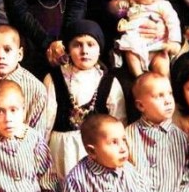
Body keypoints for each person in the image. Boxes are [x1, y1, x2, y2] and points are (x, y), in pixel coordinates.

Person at [43, 19, 127, 179]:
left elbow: (119, 121)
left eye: (91, 44)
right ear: (68, 49)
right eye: (77, 45)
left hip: (96, 151)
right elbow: (46, 122)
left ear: (99, 49)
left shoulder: (109, 82)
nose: (84, 51)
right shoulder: (54, 78)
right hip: (62, 151)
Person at [114, 0, 182, 78]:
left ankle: (165, 83)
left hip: (157, 45)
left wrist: (174, 41)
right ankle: (139, 77)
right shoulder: (132, 2)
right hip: (135, 44)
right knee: (130, 53)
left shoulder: (162, 5)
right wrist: (122, 5)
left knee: (163, 64)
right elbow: (120, 14)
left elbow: (173, 22)